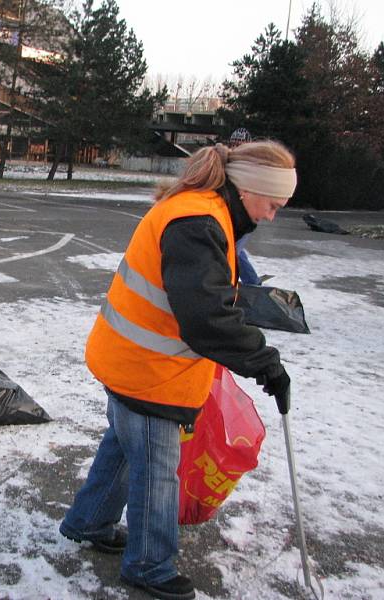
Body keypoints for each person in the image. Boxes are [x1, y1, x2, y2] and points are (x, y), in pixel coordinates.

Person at [59, 140, 296, 600]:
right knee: (156, 470)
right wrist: (264, 362)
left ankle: (88, 522)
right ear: (248, 190)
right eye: (272, 205)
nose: (271, 216)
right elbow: (204, 317)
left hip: (133, 359)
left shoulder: (205, 212)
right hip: (148, 370)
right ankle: (149, 566)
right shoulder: (198, 222)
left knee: (126, 447)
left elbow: (196, 296)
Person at [229, 128, 263, 285]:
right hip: (232, 215)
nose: (236, 148)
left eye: (240, 145)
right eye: (234, 144)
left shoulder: (254, 166)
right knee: (235, 251)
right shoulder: (229, 162)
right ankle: (252, 281)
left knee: (233, 251)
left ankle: (246, 283)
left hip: (248, 215)